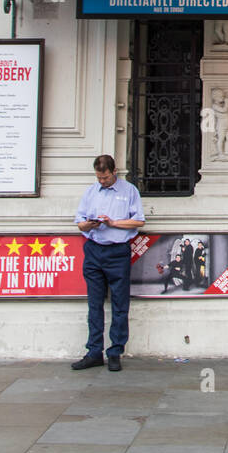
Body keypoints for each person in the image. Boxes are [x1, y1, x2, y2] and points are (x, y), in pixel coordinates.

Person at [73, 154, 144, 371]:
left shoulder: (129, 190)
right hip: (94, 249)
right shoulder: (90, 191)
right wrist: (90, 225)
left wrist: (113, 223)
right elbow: (79, 223)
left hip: (118, 251)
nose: (102, 182)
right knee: (94, 303)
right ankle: (94, 351)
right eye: (99, 178)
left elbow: (139, 220)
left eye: (105, 177)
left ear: (114, 172)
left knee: (119, 304)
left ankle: (115, 351)